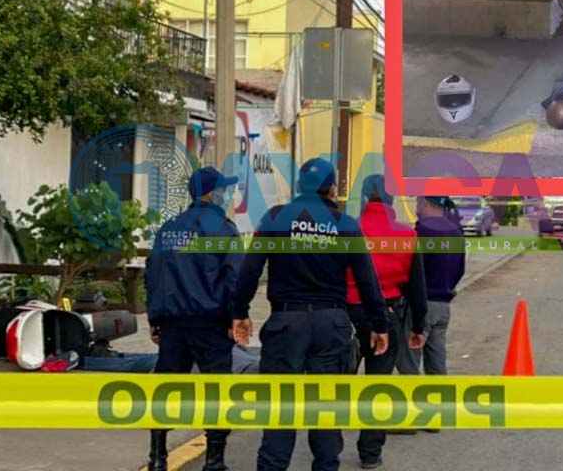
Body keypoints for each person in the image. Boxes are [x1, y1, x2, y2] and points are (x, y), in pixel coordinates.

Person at [232, 158, 389, 471]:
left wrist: (239, 312)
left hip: (286, 324)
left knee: (280, 407)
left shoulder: (276, 217)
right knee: (326, 408)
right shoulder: (344, 224)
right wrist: (379, 325)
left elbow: (249, 269)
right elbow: (367, 280)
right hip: (330, 324)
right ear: (331, 188)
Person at [143, 167, 241, 471]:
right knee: (217, 391)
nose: (227, 195)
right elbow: (234, 278)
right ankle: (214, 460)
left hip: (174, 326)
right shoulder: (224, 229)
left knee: (166, 391)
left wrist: (156, 319)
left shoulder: (169, 229)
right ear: (211, 193)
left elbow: (153, 275)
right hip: (211, 324)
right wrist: (236, 316)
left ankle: (157, 457)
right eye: (223, 189)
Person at [345, 175, 428, 469]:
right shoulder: (406, 235)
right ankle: (370, 454)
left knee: (338, 385)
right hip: (388, 317)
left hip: (348, 317)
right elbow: (418, 289)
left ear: (365, 198)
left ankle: (328, 447)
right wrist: (418, 327)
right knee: (377, 386)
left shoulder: (348, 230)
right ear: (393, 200)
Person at [397, 196, 466, 381]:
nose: (416, 207)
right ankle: (439, 404)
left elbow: (410, 270)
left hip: (420, 305)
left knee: (408, 364)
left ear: (425, 203)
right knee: (437, 365)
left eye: (417, 202)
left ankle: (412, 405)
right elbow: (460, 270)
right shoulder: (456, 232)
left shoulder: (422, 231)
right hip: (443, 305)